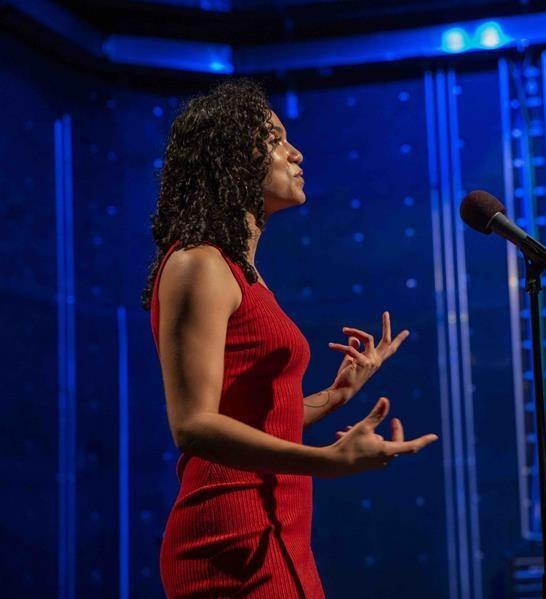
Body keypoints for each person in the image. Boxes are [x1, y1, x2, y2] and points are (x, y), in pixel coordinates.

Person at [141, 78, 439, 598]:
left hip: (277, 530)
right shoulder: (199, 264)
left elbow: (251, 418)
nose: (296, 151)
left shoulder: (242, 273)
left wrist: (337, 395)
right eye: (276, 139)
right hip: (231, 539)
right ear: (232, 156)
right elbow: (193, 425)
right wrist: (327, 460)